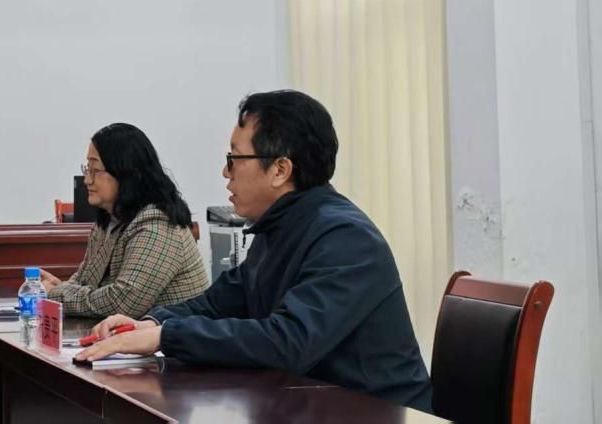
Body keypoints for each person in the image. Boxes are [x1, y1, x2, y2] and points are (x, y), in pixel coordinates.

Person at [77, 91, 432, 413]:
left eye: (234, 159)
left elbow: (288, 341)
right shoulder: (277, 227)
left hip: (374, 413)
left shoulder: (345, 237)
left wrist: (166, 337)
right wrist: (153, 322)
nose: (225, 172)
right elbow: (219, 302)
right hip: (309, 404)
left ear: (280, 169)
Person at [40, 123, 208, 319]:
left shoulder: (157, 224)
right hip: (131, 335)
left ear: (126, 173)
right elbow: (84, 281)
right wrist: (60, 289)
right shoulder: (109, 220)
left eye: (96, 170)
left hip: (174, 336)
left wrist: (55, 294)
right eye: (87, 168)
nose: (87, 180)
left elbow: (123, 303)